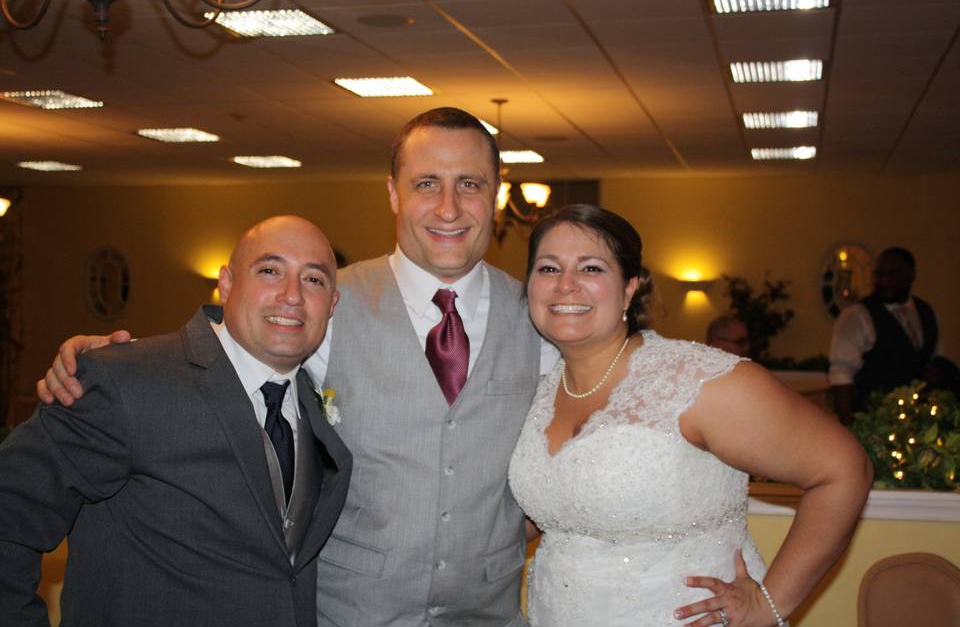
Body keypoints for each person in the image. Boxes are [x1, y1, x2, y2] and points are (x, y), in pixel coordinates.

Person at [36, 108, 555, 626]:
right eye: (426, 183)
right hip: (343, 615)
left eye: (469, 183)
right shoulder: (323, 302)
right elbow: (216, 360)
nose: (449, 208)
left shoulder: (541, 320)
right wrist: (108, 360)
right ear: (394, 193)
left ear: (496, 192)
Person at [508, 205, 872, 627]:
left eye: (590, 268)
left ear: (629, 289)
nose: (566, 285)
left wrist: (768, 606)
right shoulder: (538, 390)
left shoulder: (698, 381)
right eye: (548, 269)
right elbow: (557, 510)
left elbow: (845, 469)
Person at [3, 216, 352, 626]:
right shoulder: (128, 381)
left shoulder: (316, 406)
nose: (291, 295)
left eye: (313, 280)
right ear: (226, 283)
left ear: (331, 304)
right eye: (270, 271)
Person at [829, 247, 940, 424]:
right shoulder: (856, 316)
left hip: (918, 419)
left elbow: (929, 356)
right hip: (876, 420)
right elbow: (841, 374)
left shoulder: (925, 311)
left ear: (910, 275)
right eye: (879, 274)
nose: (884, 281)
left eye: (892, 274)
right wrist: (848, 427)